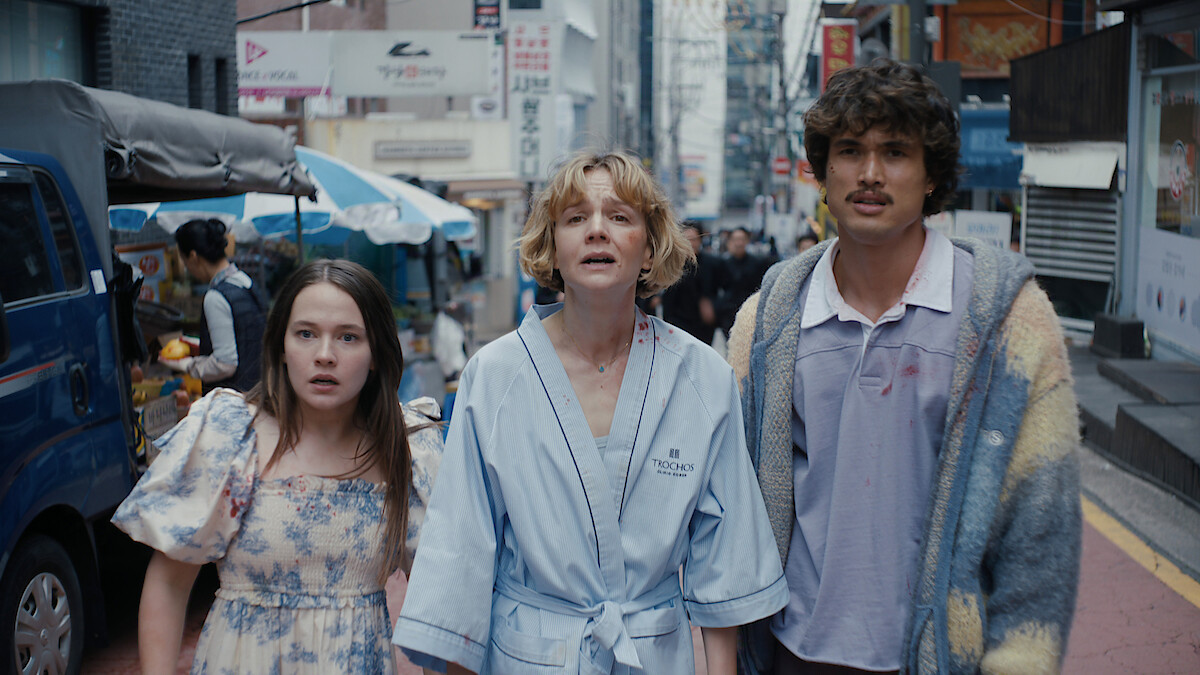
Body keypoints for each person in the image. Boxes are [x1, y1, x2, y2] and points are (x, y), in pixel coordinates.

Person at [727, 59, 1081, 675]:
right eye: (849, 150)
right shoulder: (769, 321)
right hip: (792, 650)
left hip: (942, 656)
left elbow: (1041, 524)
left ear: (930, 176)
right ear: (824, 170)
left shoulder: (1008, 320)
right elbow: (731, 507)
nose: (869, 174)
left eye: (895, 152)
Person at [392, 150, 787, 675]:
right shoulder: (494, 375)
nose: (597, 231)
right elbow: (464, 551)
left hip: (654, 654)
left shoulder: (701, 377)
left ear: (649, 249)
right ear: (552, 247)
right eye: (576, 218)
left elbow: (726, 561)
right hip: (528, 654)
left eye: (620, 217)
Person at [113, 259, 444, 674]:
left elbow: (439, 600)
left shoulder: (408, 448)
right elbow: (169, 582)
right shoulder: (229, 435)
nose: (325, 355)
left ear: (376, 352)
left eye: (348, 337)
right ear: (281, 347)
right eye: (306, 334)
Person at [164, 218, 266, 393]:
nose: (187, 268)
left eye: (184, 261)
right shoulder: (245, 281)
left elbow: (225, 364)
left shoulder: (215, 297)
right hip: (259, 392)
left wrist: (187, 365)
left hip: (234, 402)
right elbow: (245, 338)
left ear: (193, 256)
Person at [660, 222, 721, 344]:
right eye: (686, 240)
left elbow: (721, 289)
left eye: (694, 240)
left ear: (700, 241)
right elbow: (668, 298)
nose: (691, 244)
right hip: (680, 322)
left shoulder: (712, 263)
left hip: (704, 324)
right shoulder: (674, 265)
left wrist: (713, 307)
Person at [716, 226, 771, 336]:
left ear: (747, 241)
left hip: (750, 311)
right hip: (729, 313)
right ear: (730, 241)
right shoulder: (723, 263)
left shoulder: (757, 263)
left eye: (742, 239)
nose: (739, 243)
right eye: (736, 239)